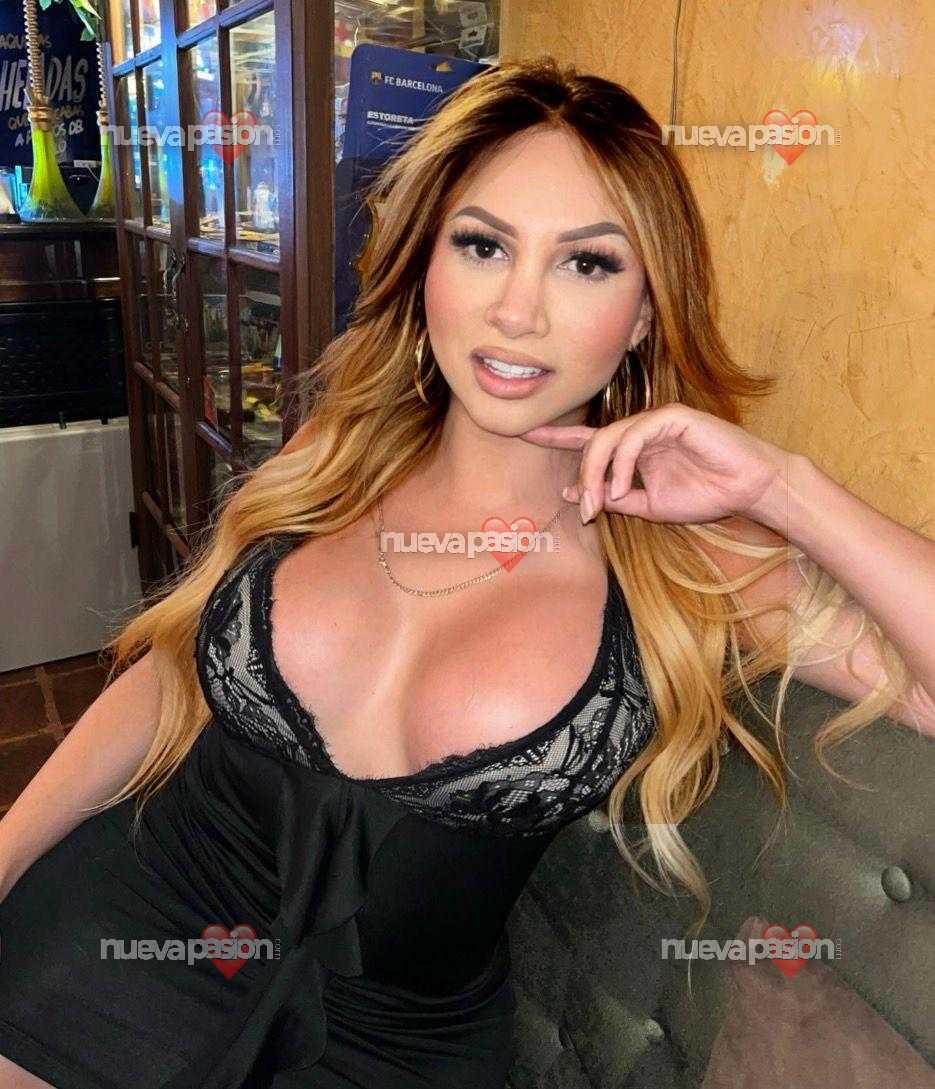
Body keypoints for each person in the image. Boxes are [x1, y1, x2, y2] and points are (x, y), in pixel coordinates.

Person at [1, 55, 933, 1089]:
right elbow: (172, 677)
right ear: (425, 264)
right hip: (131, 932)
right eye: (483, 245)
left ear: (642, 313)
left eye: (586, 264)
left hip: (392, 1050)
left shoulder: (687, 557)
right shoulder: (336, 450)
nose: (515, 311)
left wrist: (785, 489)